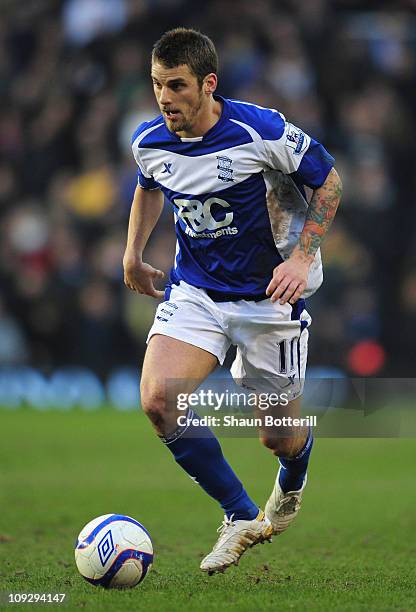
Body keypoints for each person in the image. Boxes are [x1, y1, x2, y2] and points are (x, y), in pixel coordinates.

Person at [123, 27, 342, 574]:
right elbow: (149, 185)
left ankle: (295, 469)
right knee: (157, 399)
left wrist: (301, 257)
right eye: (157, 85)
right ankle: (240, 513)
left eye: (176, 86)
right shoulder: (150, 141)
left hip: (269, 299)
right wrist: (132, 253)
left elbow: (330, 182)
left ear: (208, 84)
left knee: (278, 436)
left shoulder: (259, 130)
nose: (165, 98)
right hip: (196, 292)